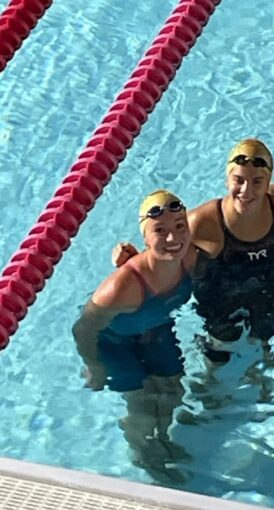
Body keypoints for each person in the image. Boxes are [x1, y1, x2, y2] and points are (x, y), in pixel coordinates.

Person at [113, 139, 274, 365]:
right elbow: (164, 250)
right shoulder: (203, 222)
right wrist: (131, 260)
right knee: (218, 356)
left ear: (268, 181)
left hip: (273, 290)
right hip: (223, 298)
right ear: (227, 179)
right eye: (239, 180)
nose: (247, 190)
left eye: (257, 181)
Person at [73, 189, 197, 479]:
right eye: (160, 231)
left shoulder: (190, 258)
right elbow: (83, 329)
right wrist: (94, 366)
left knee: (172, 391)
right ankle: (142, 451)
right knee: (141, 404)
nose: (172, 238)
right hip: (114, 343)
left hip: (154, 330)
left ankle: (164, 438)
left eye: (180, 226)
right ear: (145, 236)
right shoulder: (122, 287)